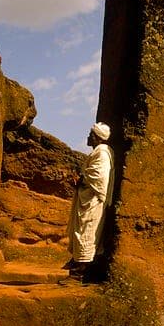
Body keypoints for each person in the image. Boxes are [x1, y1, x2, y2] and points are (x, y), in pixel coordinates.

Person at [59, 122, 114, 285]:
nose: (88, 137)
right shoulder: (100, 152)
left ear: (97, 137)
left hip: (93, 202)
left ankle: (79, 275)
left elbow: (99, 178)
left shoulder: (102, 153)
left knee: (87, 234)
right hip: (88, 200)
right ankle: (82, 270)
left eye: (91, 135)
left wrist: (81, 179)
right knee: (84, 234)